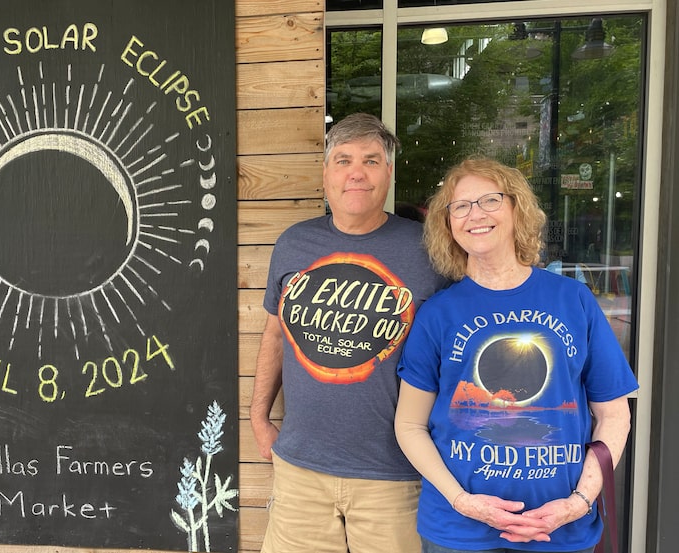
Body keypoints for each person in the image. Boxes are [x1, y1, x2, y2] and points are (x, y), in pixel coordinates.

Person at [394, 157, 638, 553]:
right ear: (448, 223)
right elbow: (409, 425)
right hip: (458, 533)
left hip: (561, 530)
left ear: (516, 208)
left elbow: (614, 414)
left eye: (490, 200)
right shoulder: (438, 314)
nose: (475, 214)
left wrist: (578, 503)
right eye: (460, 206)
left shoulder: (572, 300)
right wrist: (463, 502)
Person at [249, 112, 447, 553]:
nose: (356, 172)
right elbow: (276, 335)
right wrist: (258, 418)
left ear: (389, 174)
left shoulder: (428, 250)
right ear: (326, 174)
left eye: (372, 161)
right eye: (343, 160)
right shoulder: (294, 244)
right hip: (301, 471)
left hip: (394, 474)